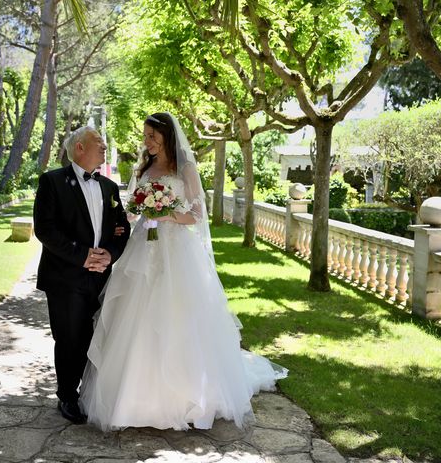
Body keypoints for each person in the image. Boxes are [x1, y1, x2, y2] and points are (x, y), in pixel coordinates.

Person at [79, 113, 287, 431]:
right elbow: (134, 210)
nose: (146, 141)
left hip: (176, 251)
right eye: (145, 135)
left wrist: (166, 214)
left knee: (176, 315)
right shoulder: (145, 168)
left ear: (166, 136)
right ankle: (132, 400)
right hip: (143, 247)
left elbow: (197, 214)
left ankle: (186, 397)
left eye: (152, 136)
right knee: (135, 315)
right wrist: (140, 209)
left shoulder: (185, 168)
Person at [33, 126, 131, 424]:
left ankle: (88, 392)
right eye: (99, 144)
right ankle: (67, 396)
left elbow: (122, 228)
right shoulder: (52, 182)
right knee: (69, 337)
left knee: (93, 335)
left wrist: (109, 255)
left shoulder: (109, 187)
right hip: (65, 277)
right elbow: (45, 230)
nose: (104, 148)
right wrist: (83, 256)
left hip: (101, 277)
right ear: (79, 148)